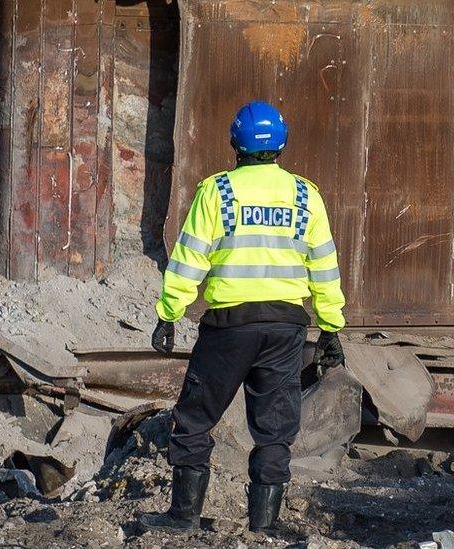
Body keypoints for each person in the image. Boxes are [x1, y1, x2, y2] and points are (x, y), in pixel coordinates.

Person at [139, 101, 346, 533]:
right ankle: (264, 525)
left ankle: (184, 516)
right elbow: (324, 267)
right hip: (286, 328)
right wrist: (330, 328)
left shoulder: (217, 192)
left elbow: (189, 258)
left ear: (235, 142)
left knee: (195, 418)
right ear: (283, 144)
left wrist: (168, 313)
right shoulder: (306, 195)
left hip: (229, 327)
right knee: (274, 429)